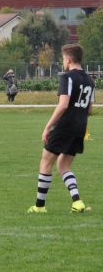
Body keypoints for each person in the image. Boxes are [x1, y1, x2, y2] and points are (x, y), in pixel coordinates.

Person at [27, 44, 95, 214]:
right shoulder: (90, 80)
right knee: (63, 165)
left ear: (69, 59)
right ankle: (77, 202)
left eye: (64, 59)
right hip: (80, 127)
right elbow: (90, 109)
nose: (63, 62)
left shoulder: (67, 77)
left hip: (65, 126)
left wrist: (48, 127)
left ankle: (39, 206)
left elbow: (63, 105)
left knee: (45, 161)